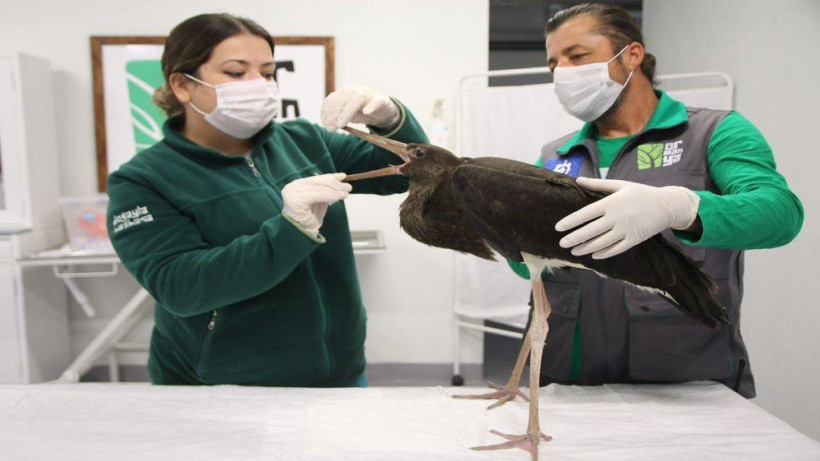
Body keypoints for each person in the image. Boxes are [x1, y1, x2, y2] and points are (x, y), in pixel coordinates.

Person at [106, 13, 428, 386]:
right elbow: (179, 286)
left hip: (339, 371)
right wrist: (288, 232)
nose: (257, 85)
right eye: (235, 72)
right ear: (182, 84)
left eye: (267, 72)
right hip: (223, 386)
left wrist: (391, 120)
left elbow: (410, 172)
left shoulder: (304, 140)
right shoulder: (143, 180)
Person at [508, 3, 802, 398]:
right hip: (569, 380)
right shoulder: (556, 155)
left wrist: (679, 208)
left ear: (632, 55)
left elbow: (780, 213)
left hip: (686, 386)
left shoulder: (714, 132)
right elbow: (526, 266)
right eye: (553, 64)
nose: (563, 72)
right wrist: (501, 231)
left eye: (577, 56)